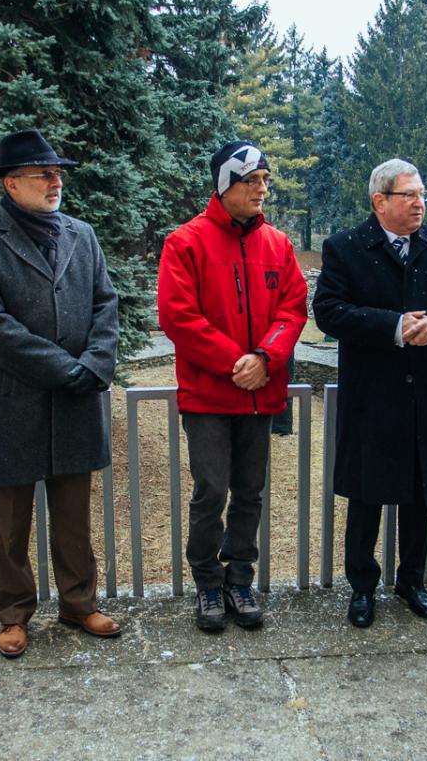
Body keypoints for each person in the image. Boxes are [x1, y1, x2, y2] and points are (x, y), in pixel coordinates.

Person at [0, 129, 120, 658]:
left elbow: (105, 304)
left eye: (58, 173)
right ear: (11, 183)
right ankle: (13, 614)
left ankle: (78, 603)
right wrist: (64, 369)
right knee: (11, 523)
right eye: (43, 174)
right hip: (17, 402)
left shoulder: (82, 234)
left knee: (74, 516)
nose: (55, 182)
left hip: (77, 399)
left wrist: (94, 364)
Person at [312, 158, 427, 628]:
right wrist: (394, 326)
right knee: (366, 497)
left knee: (421, 496)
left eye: (423, 194)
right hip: (373, 396)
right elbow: (328, 311)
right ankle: (362, 587)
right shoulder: (345, 247)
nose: (419, 204)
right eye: (409, 195)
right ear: (379, 201)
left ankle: (412, 581)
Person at [157, 141, 308, 632]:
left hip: (259, 392)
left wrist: (265, 358)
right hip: (208, 395)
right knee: (211, 490)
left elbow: (293, 308)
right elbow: (178, 316)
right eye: (251, 181)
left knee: (250, 492)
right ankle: (207, 580)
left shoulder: (279, 245)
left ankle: (239, 578)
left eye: (265, 180)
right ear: (224, 186)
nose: (262, 190)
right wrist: (235, 363)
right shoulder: (185, 242)